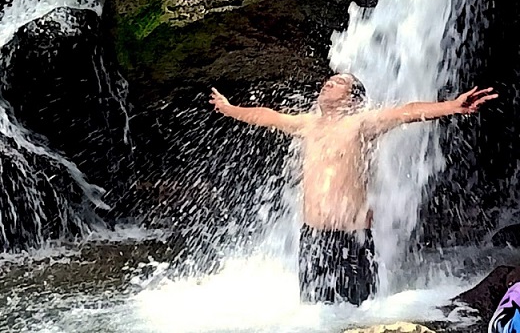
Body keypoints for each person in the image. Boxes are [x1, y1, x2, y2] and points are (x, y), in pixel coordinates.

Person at [209, 74, 498, 306]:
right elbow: (267, 115)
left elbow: (406, 112)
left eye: (340, 83)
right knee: (313, 312)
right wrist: (229, 108)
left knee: (357, 313)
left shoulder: (361, 124)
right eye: (330, 80)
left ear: (353, 98)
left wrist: (451, 107)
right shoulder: (308, 124)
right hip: (312, 238)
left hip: (351, 240)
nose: (329, 83)